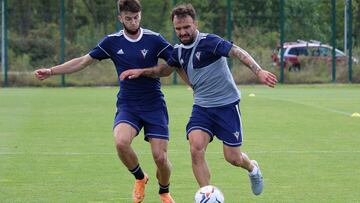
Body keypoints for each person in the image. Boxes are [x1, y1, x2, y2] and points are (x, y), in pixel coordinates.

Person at [120, 3, 277, 196]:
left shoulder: (210, 42)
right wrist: (141, 72)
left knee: (233, 158)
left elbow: (238, 52)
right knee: (195, 148)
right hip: (202, 107)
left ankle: (252, 168)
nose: (183, 32)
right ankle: (206, 195)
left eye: (186, 27)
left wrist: (258, 71)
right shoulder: (178, 51)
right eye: (178, 29)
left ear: (195, 24)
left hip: (226, 105)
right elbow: (163, 70)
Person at [34, 1, 176, 202]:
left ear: (140, 16)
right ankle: (140, 178)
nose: (133, 22)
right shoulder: (111, 42)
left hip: (154, 104)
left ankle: (164, 190)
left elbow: (176, 62)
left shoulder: (155, 39)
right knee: (120, 142)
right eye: (128, 18)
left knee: (160, 158)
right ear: (120, 18)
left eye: (136, 17)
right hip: (128, 104)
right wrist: (51, 71)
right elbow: (83, 61)